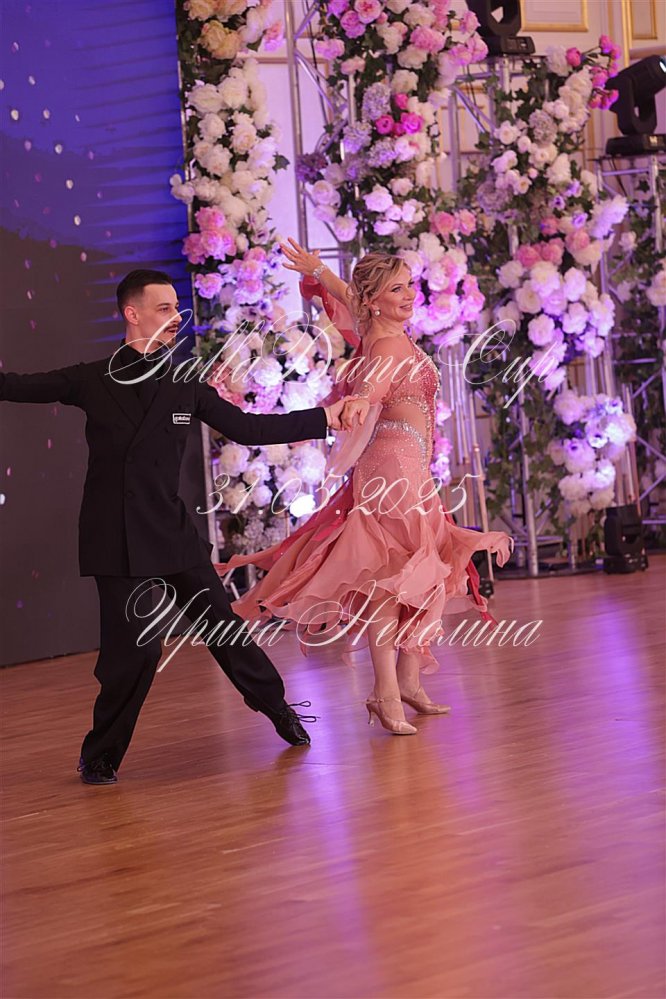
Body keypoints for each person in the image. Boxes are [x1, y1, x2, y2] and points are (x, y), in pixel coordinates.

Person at [0, 268, 354, 783]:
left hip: (170, 532)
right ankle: (100, 756)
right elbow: (15, 386)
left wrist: (325, 417)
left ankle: (279, 710)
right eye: (163, 308)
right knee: (135, 653)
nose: (175, 318)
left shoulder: (184, 385)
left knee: (225, 629)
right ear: (132, 313)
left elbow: (249, 428)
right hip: (115, 539)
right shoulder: (91, 379)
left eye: (177, 309)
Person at [215, 243, 513, 736]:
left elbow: (348, 296)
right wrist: (357, 403)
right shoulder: (387, 346)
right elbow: (372, 385)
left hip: (407, 467)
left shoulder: (377, 325)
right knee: (392, 577)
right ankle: (385, 691)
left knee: (423, 570)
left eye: (410, 285)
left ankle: (407, 682)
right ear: (375, 300)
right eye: (398, 289)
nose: (410, 295)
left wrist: (319, 270)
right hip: (393, 471)